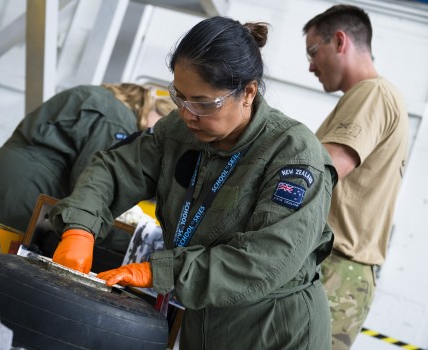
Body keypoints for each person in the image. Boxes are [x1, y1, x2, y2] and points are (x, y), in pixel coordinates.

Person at [49, 16, 336, 349]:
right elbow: (115, 169)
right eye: (179, 96)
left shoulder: (293, 155)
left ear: (248, 93)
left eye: (203, 103)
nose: (188, 114)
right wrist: (79, 228)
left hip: (273, 331)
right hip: (203, 323)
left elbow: (265, 260)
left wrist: (159, 272)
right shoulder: (181, 130)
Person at [303, 5, 409, 349]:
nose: (310, 65)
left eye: (313, 51)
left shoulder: (373, 93)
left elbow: (321, 171)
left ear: (339, 41)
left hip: (338, 269)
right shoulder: (368, 97)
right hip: (339, 268)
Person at [0, 83, 175, 234]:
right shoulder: (120, 121)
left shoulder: (100, 97)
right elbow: (89, 182)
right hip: (19, 198)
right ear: (158, 113)